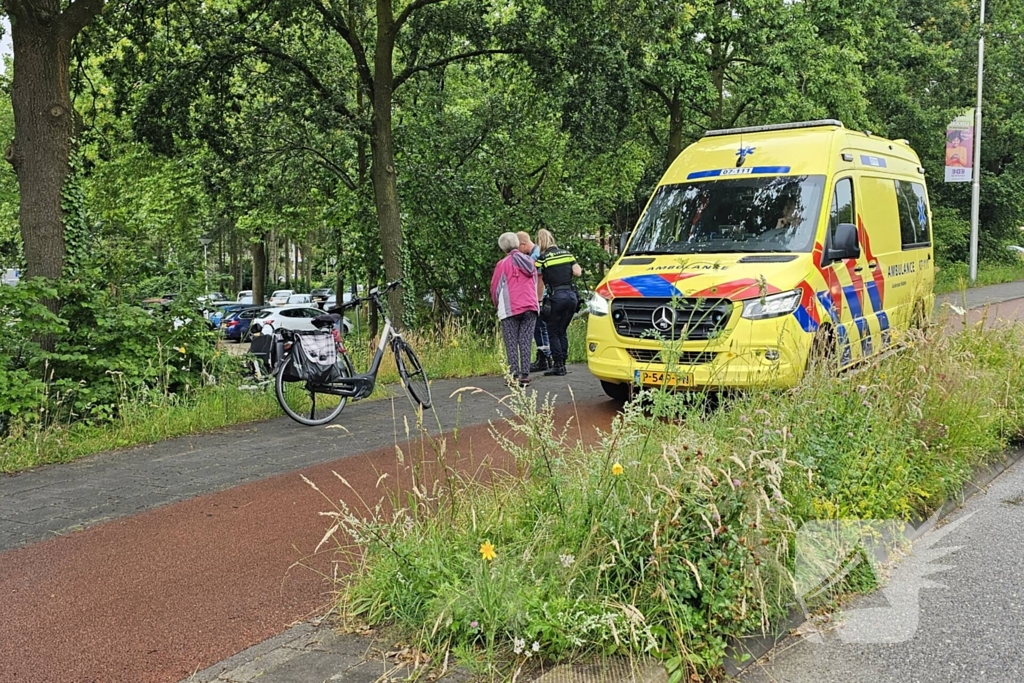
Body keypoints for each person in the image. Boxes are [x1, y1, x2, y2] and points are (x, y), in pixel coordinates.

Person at [491, 232, 540, 386]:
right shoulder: (530, 262)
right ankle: (525, 376)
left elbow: (495, 288)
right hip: (530, 306)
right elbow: (535, 283)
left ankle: (513, 376)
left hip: (510, 308)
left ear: (502, 247)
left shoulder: (502, 264)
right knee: (526, 341)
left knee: (511, 342)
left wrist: (497, 304)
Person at [535, 228, 582, 377]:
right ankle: (563, 363)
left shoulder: (543, 258)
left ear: (540, 242)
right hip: (572, 297)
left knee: (553, 332)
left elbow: (532, 272)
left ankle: (558, 365)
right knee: (562, 330)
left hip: (556, 297)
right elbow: (578, 272)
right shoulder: (567, 254)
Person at [516, 231, 552, 372]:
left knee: (539, 327)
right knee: (541, 328)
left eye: (518, 248)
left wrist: (538, 301)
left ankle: (544, 358)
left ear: (523, 244)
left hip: (540, 297)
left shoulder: (535, 256)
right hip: (544, 296)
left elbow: (540, 279)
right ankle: (546, 357)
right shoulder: (536, 253)